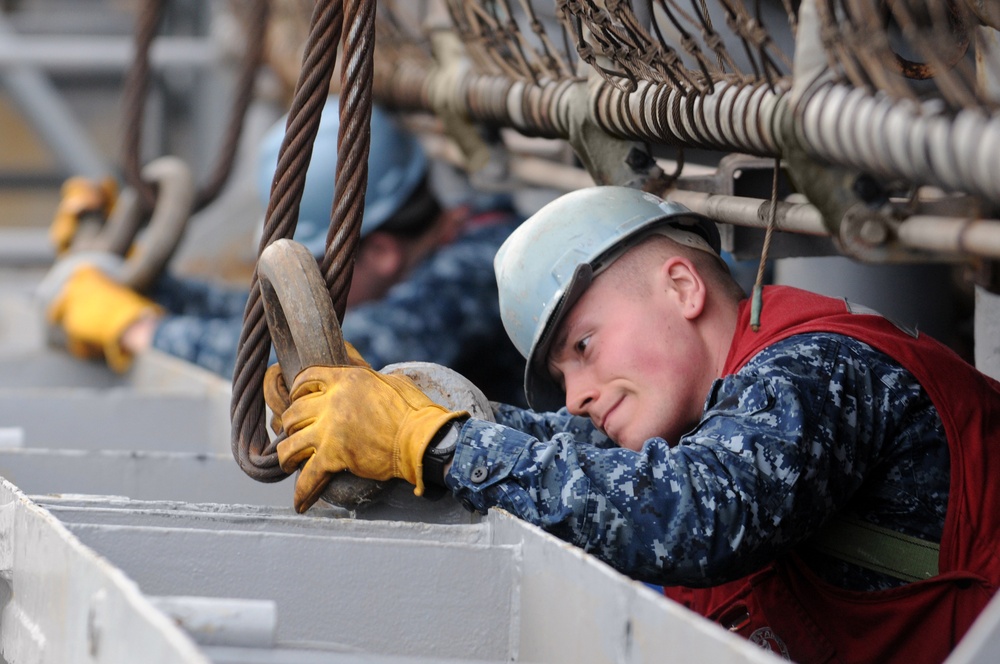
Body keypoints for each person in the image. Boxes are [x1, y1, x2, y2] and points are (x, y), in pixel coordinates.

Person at [264, 185, 1000, 664]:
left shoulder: (820, 368)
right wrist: (405, 410)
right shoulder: (705, 415)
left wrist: (437, 442)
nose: (578, 394)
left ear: (681, 287)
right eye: (563, 376)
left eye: (583, 348)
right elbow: (570, 448)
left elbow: (693, 510)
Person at [43, 96, 528, 406]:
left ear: (379, 252)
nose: (305, 284)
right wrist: (138, 280)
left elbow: (331, 360)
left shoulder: (486, 268)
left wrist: (140, 331)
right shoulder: (432, 251)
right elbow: (269, 316)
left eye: (311, 267)